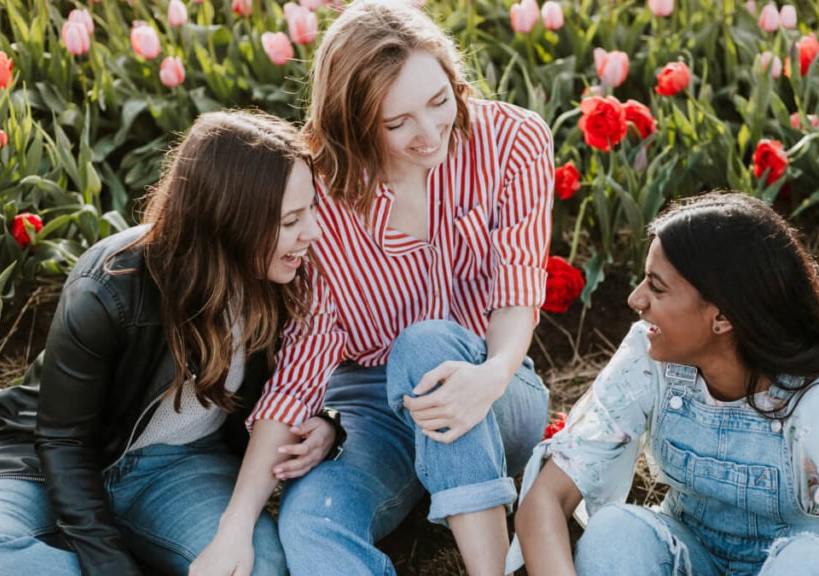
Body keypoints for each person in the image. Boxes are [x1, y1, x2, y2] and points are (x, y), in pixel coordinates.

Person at [193, 2, 554, 575]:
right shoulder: (324, 197)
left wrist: (490, 376)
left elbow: (518, 286)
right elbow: (301, 366)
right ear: (353, 122)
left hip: (494, 388)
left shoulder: (511, 141)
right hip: (375, 406)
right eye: (397, 122)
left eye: (440, 101)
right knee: (312, 522)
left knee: (427, 344)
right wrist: (236, 526)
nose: (431, 132)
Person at [0, 110, 335, 576]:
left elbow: (307, 378)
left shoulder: (288, 280)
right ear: (230, 221)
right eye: (292, 220)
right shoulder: (109, 288)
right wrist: (111, 567)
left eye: (311, 209)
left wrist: (327, 424)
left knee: (260, 566)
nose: (313, 231)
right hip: (47, 464)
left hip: (179, 468)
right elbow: (63, 442)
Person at [513, 192, 819, 576]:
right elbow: (545, 501)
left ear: (723, 317)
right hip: (690, 554)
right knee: (614, 534)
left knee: (809, 561)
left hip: (792, 560)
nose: (635, 299)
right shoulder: (650, 359)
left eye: (656, 287)